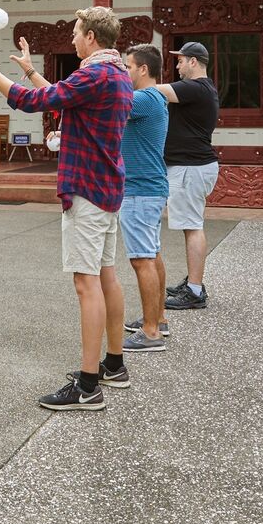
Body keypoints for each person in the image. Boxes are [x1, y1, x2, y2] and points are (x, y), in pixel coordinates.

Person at [0, 7, 133, 412]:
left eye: (76, 33)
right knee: (106, 275)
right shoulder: (115, 72)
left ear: (91, 36)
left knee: (86, 282)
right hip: (106, 187)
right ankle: (114, 364)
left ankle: (89, 386)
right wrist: (29, 69)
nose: (72, 39)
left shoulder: (95, 73)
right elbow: (63, 98)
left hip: (88, 189)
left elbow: (30, 102)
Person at [156, 41, 220, 310]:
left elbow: (152, 90)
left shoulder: (196, 88)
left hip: (190, 168)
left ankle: (194, 291)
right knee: (190, 225)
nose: (178, 65)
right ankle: (193, 282)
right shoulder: (201, 89)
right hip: (191, 167)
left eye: (181, 60)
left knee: (192, 226)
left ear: (193, 62)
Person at [118, 44, 169, 351]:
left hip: (140, 190)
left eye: (127, 66)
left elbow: (109, 101)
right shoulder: (152, 99)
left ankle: (150, 332)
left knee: (141, 260)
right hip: (147, 189)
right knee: (152, 254)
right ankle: (158, 318)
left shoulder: (144, 99)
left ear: (143, 70)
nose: (125, 71)